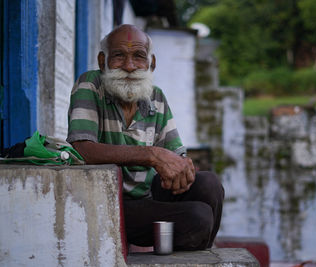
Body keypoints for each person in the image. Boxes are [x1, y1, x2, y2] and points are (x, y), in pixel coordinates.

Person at [67, 24, 224, 251]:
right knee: (198, 218)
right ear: (103, 61)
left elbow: (175, 156)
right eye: (119, 56)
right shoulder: (90, 85)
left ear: (152, 64)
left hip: (148, 196)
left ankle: (200, 254)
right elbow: (81, 149)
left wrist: (182, 169)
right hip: (110, 202)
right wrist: (151, 155)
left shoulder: (156, 96)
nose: (129, 66)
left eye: (138, 57)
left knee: (209, 184)